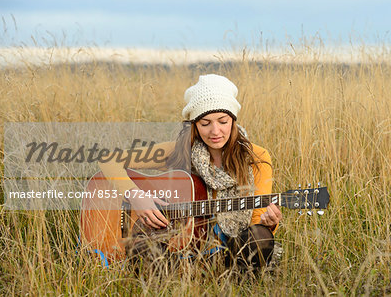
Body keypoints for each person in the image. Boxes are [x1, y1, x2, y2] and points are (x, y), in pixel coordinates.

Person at [98, 74, 282, 269]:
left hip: (228, 252)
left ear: (233, 121)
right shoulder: (178, 150)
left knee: (260, 238)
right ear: (194, 124)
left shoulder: (257, 157)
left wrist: (269, 224)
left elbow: (255, 224)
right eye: (205, 123)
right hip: (178, 248)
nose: (215, 131)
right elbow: (108, 159)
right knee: (147, 250)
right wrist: (135, 195)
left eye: (222, 121)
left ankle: (234, 282)